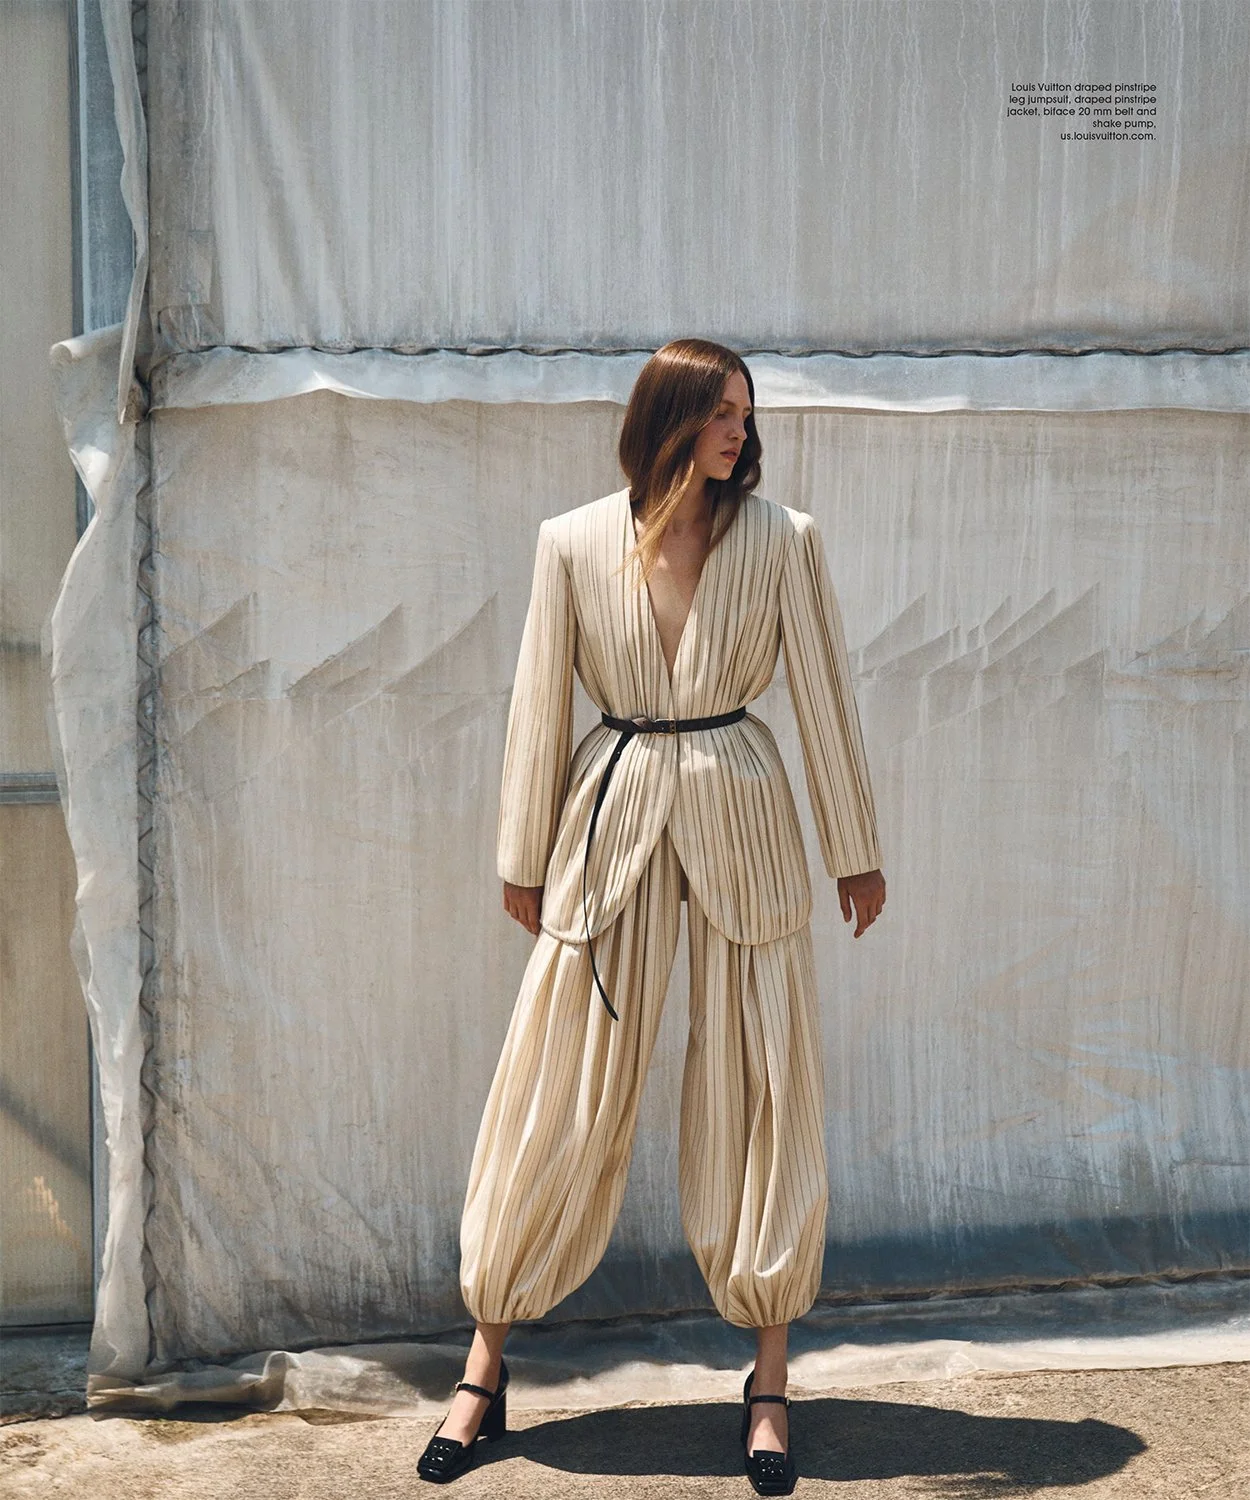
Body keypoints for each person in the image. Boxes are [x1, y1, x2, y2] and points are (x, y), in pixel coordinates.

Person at [418, 339, 886, 1495]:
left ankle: (767, 1383)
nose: (738, 431)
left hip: (744, 813)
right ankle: (483, 1365)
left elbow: (823, 693)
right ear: (667, 417)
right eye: (719, 411)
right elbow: (539, 700)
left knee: (762, 1085)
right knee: (555, 1081)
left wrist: (854, 849)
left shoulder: (782, 539)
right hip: (608, 814)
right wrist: (522, 853)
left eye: (744, 414)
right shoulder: (572, 541)